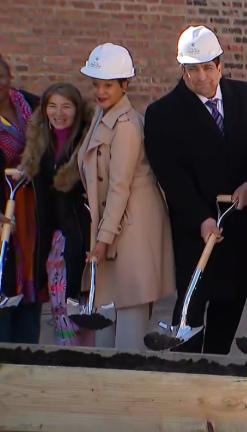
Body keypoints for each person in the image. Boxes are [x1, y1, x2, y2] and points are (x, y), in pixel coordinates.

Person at [145, 25, 247, 354]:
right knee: (191, 304)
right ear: (182, 69)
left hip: (238, 224)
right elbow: (172, 177)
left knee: (229, 303)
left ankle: (215, 365)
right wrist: (200, 218)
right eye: (191, 70)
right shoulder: (162, 115)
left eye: (206, 68)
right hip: (196, 228)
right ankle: (185, 374)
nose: (200, 77)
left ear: (220, 65)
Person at [77, 43, 175, 350]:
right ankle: (105, 393)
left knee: (128, 334)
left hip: (131, 233)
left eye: (108, 85)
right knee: (105, 326)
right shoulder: (101, 115)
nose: (101, 91)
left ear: (125, 84)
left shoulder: (127, 125)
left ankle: (130, 395)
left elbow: (119, 186)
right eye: (97, 84)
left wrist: (103, 241)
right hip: (113, 228)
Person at [20, 83, 92, 345]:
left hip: (82, 236)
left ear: (77, 110)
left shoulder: (87, 143)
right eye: (52, 106)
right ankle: (68, 357)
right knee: (60, 304)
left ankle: (87, 364)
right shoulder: (40, 143)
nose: (58, 113)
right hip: (55, 237)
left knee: (83, 306)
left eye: (66, 106)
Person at [0, 54, 42, 344]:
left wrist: (34, 164)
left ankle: (28, 354)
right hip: (3, 210)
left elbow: (52, 146)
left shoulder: (31, 105)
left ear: (10, 76)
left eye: (1, 77)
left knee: (31, 275)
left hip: (33, 209)